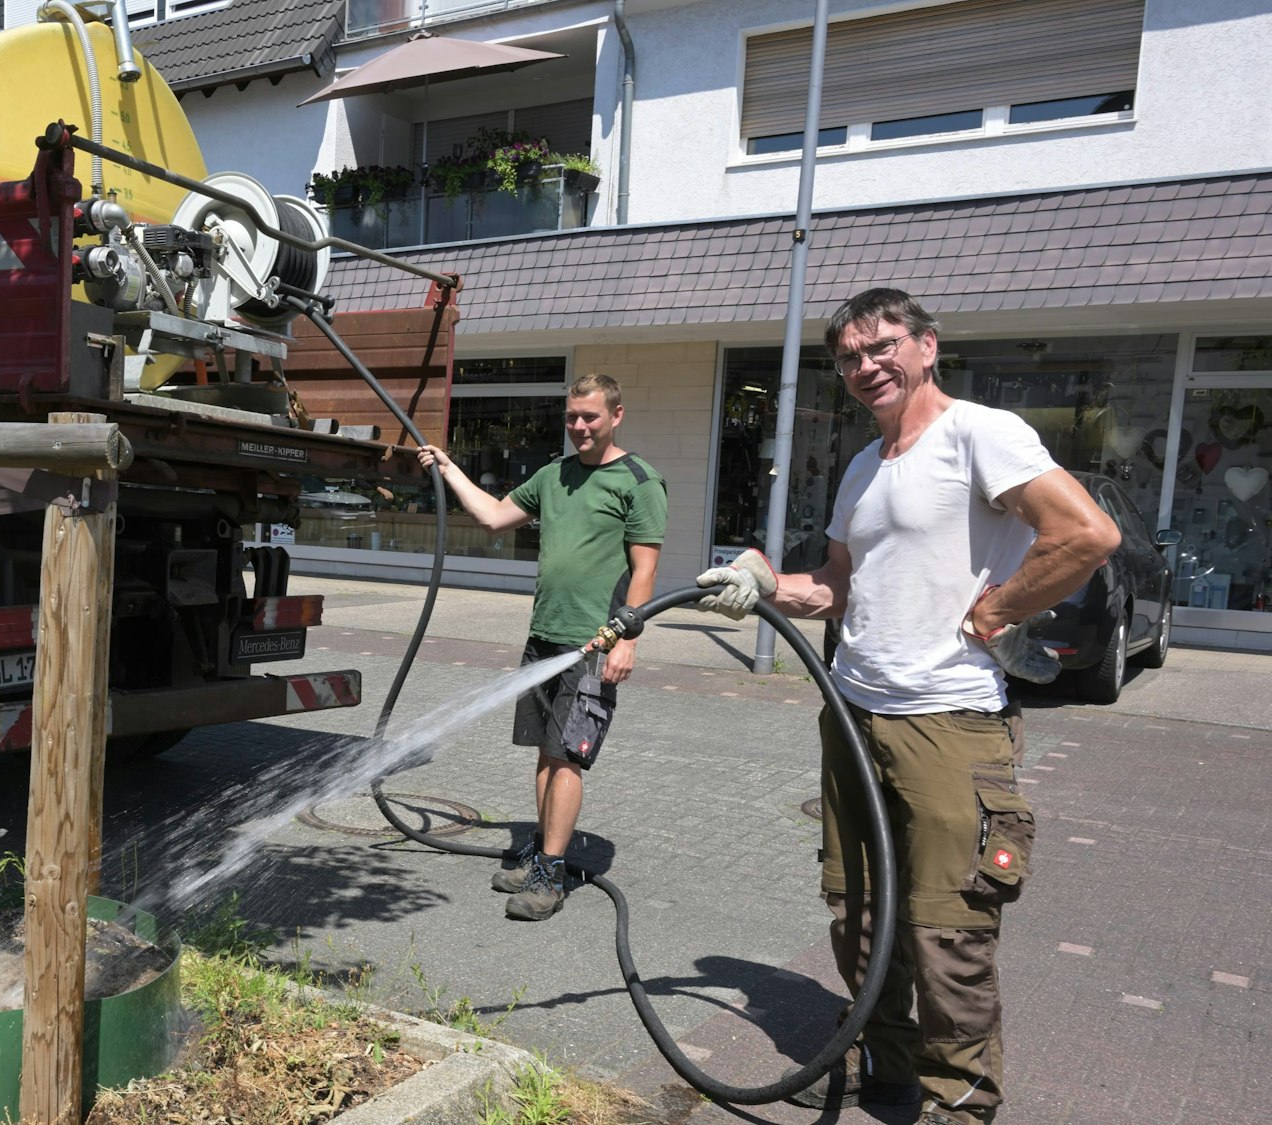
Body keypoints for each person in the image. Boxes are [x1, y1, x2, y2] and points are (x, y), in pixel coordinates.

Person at [695, 289, 1119, 1124]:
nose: (865, 366)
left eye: (882, 346)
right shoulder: (865, 465)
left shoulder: (978, 434)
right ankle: (888, 1068)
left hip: (949, 723)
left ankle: (958, 1101)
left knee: (946, 929)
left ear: (928, 346)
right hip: (855, 715)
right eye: (850, 356)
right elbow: (836, 587)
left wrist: (995, 612)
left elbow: (1086, 534)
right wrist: (763, 584)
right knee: (858, 915)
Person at [417, 373, 667, 921]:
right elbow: (492, 518)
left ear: (616, 416)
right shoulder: (554, 476)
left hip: (594, 644)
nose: (580, 426)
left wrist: (628, 640)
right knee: (544, 752)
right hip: (543, 639)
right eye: (573, 417)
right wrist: (449, 467)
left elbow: (645, 571)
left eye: (591, 417)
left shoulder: (639, 480)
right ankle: (541, 851)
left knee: (569, 760)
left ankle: (550, 874)